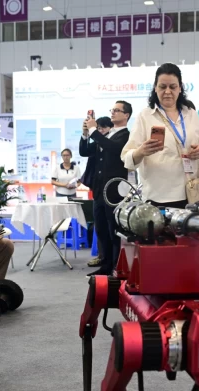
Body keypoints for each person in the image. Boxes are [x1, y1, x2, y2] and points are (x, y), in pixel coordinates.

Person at [121, 63, 199, 209]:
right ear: (155, 88)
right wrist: (141, 151)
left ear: (180, 88)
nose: (167, 91)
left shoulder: (191, 114)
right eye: (162, 87)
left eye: (173, 87)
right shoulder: (145, 116)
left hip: (191, 193)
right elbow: (126, 157)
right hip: (158, 196)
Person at [80, 101, 132, 276]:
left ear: (126, 115)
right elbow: (85, 152)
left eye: (117, 110)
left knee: (113, 230)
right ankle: (106, 264)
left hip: (114, 191)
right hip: (99, 189)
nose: (113, 112)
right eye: (112, 110)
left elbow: (113, 149)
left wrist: (94, 130)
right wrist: (85, 134)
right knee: (101, 229)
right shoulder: (107, 135)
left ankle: (116, 267)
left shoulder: (126, 136)